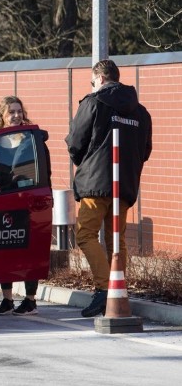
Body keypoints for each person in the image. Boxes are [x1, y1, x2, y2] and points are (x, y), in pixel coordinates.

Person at [65, 59, 152, 318]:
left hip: (95, 183)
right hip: (124, 183)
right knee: (117, 239)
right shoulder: (141, 112)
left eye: (92, 82)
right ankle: (118, 289)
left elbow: (75, 142)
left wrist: (86, 163)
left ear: (100, 79)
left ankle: (105, 288)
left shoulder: (92, 103)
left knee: (85, 235)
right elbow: (145, 151)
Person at [0, 96, 42, 316]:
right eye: (11, 112)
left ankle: (30, 299)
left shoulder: (31, 138)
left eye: (19, 111)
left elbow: (42, 170)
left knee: (28, 250)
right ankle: (7, 300)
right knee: (4, 249)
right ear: (2, 116)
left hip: (26, 199)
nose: (16, 115)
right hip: (0, 200)